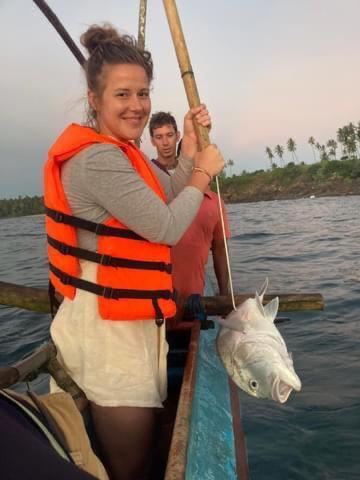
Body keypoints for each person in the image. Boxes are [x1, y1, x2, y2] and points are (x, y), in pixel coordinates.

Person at [43, 23, 224, 480]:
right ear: (94, 99)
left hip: (131, 323)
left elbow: (169, 190)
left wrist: (186, 143)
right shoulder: (98, 160)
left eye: (142, 93)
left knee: (142, 454)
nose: (137, 106)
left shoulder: (128, 155)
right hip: (107, 333)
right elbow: (166, 226)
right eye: (122, 94)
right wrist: (204, 171)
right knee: (131, 468)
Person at [149, 112, 230, 328]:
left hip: (193, 293)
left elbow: (220, 249)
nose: (165, 142)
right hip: (155, 293)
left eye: (169, 135)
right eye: (159, 137)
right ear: (152, 140)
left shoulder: (213, 201)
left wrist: (225, 297)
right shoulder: (150, 179)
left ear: (176, 136)